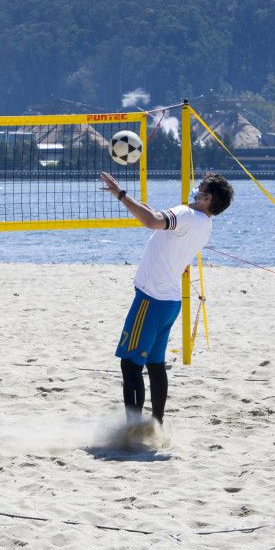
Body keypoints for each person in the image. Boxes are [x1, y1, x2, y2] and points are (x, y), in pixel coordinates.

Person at [99, 170, 233, 425]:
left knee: (130, 365)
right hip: (170, 302)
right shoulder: (205, 223)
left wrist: (121, 195)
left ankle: (134, 431)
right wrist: (137, 203)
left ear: (207, 198)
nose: (195, 188)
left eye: (201, 187)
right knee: (155, 364)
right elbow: (158, 221)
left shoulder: (186, 214)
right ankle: (157, 426)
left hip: (151, 300)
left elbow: (151, 221)